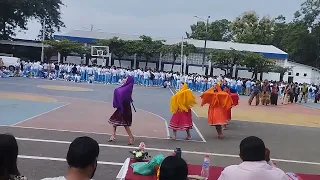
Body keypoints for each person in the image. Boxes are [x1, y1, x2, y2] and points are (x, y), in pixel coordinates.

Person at [218, 136, 288, 180]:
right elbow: (277, 173)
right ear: (265, 154)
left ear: (240, 155)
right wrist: (269, 161)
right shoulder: (279, 174)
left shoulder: (229, 171)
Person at [108, 76, 135, 145]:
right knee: (114, 121)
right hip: (122, 107)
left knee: (125, 124)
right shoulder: (127, 86)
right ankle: (113, 135)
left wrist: (116, 91)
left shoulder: (127, 87)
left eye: (126, 78)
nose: (124, 79)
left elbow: (120, 92)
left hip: (124, 107)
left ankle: (131, 137)